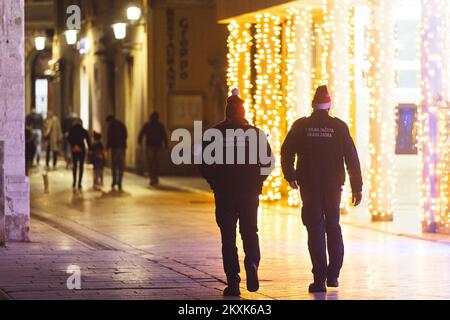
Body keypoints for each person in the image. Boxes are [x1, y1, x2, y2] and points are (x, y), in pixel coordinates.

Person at [281, 85, 363, 293]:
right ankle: (333, 275)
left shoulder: (301, 126)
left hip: (309, 186)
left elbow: (286, 151)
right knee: (333, 227)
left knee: (315, 229)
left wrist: (290, 175)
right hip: (333, 186)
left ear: (313, 105)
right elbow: (352, 158)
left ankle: (319, 279)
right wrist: (357, 187)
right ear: (329, 106)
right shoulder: (339, 127)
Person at [199, 89, 273, 297]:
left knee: (228, 238)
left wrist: (214, 182)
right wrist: (258, 182)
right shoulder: (256, 133)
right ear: (243, 111)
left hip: (224, 194)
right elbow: (268, 162)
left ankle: (233, 282)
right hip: (249, 193)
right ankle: (252, 264)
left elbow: (203, 163)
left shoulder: (214, 134)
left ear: (227, 112)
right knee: (250, 232)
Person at [138, 112, 168, 186]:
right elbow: (164, 136)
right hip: (158, 146)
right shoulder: (160, 125)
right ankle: (155, 177)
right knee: (156, 163)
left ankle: (152, 178)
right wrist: (166, 145)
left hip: (150, 146)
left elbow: (141, 134)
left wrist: (139, 142)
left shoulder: (147, 125)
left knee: (150, 163)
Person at [67, 118, 91, 191]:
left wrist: (74, 145)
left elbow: (68, 138)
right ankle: (79, 183)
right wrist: (90, 148)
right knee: (81, 166)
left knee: (74, 166)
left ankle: (74, 182)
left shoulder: (72, 129)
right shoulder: (83, 130)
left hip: (74, 149)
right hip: (81, 149)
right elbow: (88, 139)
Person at [106, 115, 128, 191]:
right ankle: (120, 182)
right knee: (121, 165)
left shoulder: (111, 126)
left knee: (114, 165)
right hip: (122, 147)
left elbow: (109, 138)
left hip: (115, 148)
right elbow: (126, 135)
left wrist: (107, 147)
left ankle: (114, 181)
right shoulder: (122, 125)